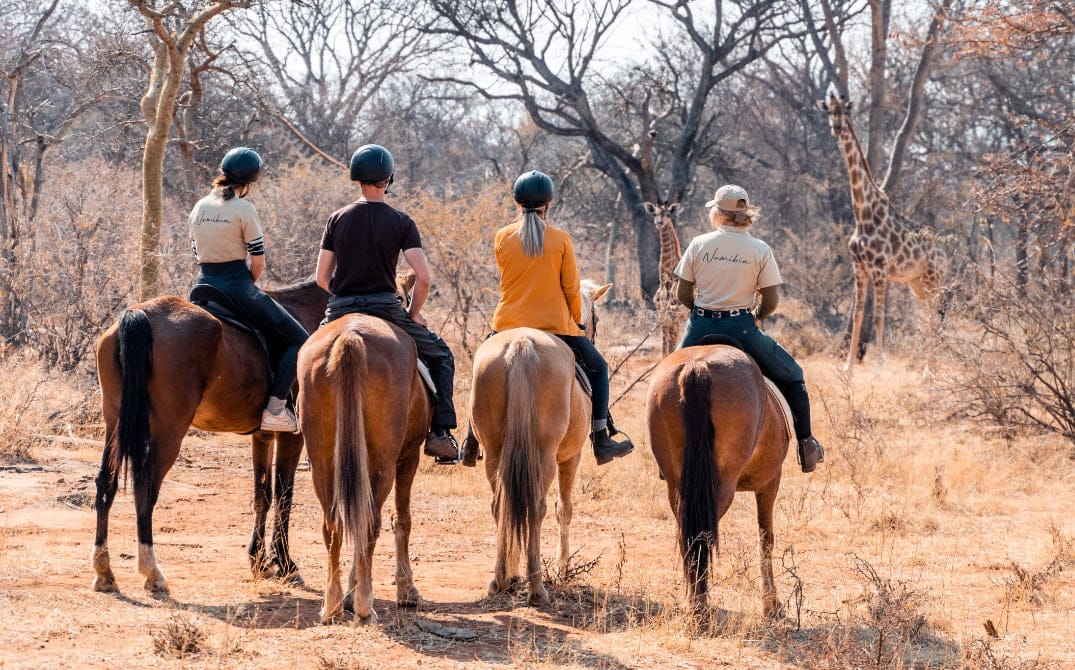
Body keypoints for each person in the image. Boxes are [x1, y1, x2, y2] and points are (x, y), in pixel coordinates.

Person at [315, 144, 459, 463]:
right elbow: (423, 278)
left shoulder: (336, 219)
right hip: (386, 309)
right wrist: (414, 313)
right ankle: (440, 434)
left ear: (356, 179)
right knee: (442, 356)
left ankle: (304, 426)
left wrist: (344, 294)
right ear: (388, 179)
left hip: (340, 308)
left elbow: (322, 277)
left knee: (305, 357)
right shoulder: (401, 222)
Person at [480, 170, 634, 466]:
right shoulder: (561, 239)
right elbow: (570, 288)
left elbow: (508, 279)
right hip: (555, 326)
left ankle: (472, 439)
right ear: (548, 204)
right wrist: (576, 319)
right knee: (599, 369)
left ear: (516, 203)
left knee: (483, 365)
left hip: (507, 323)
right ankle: (601, 439)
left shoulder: (502, 237)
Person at [673, 184, 825, 472]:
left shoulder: (699, 244)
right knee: (793, 376)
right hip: (742, 327)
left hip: (699, 325)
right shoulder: (759, 249)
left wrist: (702, 312)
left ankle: (664, 456)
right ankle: (807, 445)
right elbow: (770, 301)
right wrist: (755, 315)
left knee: (666, 379)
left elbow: (682, 294)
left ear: (717, 213)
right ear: (744, 214)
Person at [188, 147, 309, 433]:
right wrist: (247, 285)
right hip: (237, 286)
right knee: (298, 339)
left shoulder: (200, 206)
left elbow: (197, 254)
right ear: (251, 182)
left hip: (202, 286)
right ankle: (276, 409)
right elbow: (257, 260)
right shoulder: (244, 209)